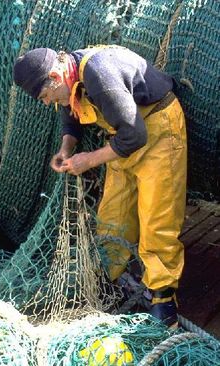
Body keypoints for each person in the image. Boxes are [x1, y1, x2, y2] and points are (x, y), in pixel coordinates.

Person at [13, 45, 187, 326]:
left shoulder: (98, 74)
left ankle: (164, 300)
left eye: (46, 96)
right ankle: (110, 284)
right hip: (123, 137)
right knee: (113, 215)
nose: (47, 102)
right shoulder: (69, 76)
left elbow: (135, 135)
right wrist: (66, 148)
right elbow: (70, 108)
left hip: (157, 131)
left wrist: (90, 160)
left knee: (158, 218)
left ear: (55, 76)